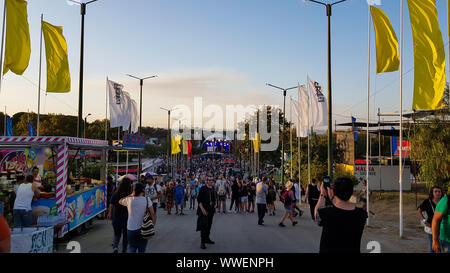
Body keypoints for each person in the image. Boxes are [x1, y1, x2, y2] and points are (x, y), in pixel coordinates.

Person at [314, 177, 368, 253]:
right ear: (351, 192)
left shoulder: (326, 212)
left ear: (333, 192)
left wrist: (323, 194)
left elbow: (316, 215)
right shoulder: (362, 214)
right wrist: (333, 197)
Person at [119, 183, 156, 253]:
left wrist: (131, 195)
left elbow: (120, 201)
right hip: (144, 228)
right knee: (142, 249)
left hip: (131, 228)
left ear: (133, 190)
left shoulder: (129, 199)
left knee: (131, 247)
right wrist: (152, 225)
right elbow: (153, 214)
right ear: (142, 190)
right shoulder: (147, 200)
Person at [108, 177, 132, 253]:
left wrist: (109, 213)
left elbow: (111, 204)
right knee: (125, 235)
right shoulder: (131, 195)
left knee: (117, 234)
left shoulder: (116, 193)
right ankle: (124, 250)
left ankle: (115, 248)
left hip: (117, 217)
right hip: (127, 218)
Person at [417, 186, 443, 253]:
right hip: (431, 227)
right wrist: (424, 221)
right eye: (435, 191)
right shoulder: (427, 201)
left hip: (443, 227)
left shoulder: (444, 201)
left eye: (439, 191)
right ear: (432, 193)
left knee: (443, 247)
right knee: (433, 247)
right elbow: (419, 211)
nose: (437, 193)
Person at [196, 178, 217, 249]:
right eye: (209, 180)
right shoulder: (203, 188)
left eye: (212, 180)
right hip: (204, 210)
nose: (211, 181)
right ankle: (202, 242)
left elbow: (214, 198)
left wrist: (215, 204)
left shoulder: (213, 188)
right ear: (206, 181)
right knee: (203, 226)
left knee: (209, 225)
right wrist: (202, 209)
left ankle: (207, 239)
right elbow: (199, 199)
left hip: (211, 210)